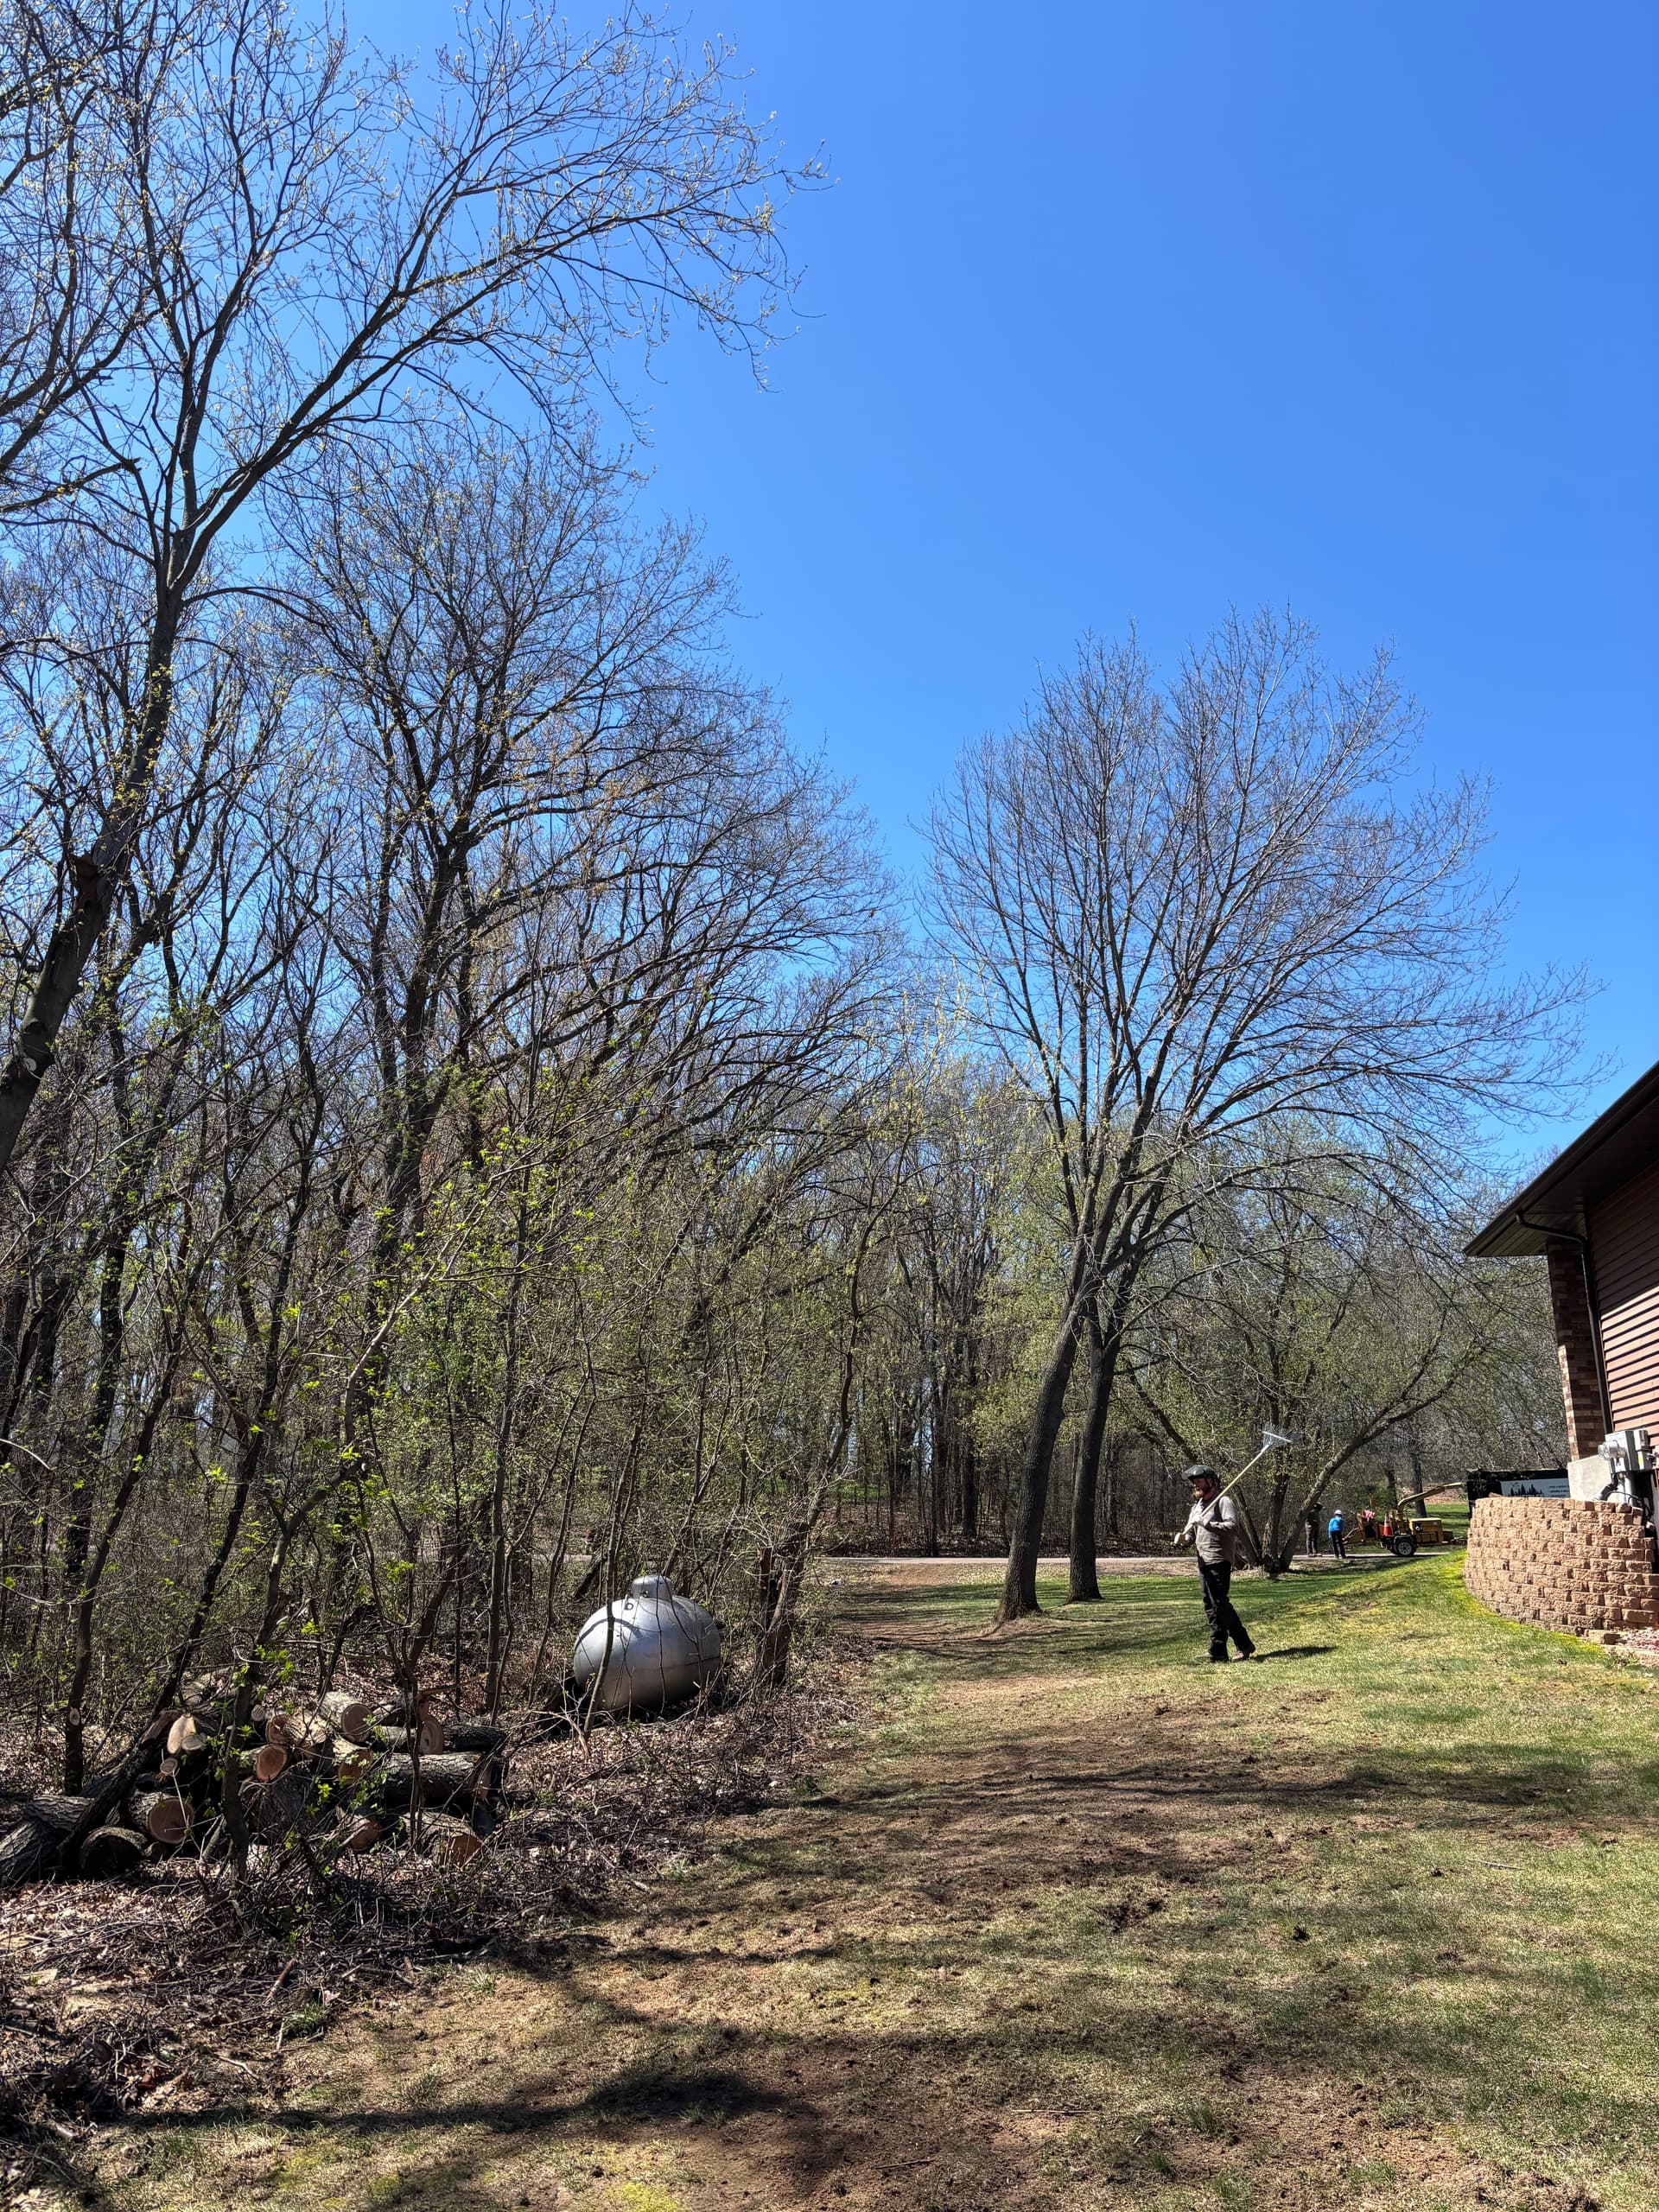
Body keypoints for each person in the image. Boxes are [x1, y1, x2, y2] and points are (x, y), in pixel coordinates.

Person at [1175, 1465, 1258, 1663]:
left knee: (1220, 1605)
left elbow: (1232, 1527)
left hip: (1219, 1559)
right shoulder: (1197, 1507)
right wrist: (1184, 1540)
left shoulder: (1223, 1501)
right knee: (1210, 1607)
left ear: (1211, 1482)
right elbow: (1194, 1535)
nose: (1196, 1484)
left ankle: (1243, 1644)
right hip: (1203, 1561)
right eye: (1194, 1482)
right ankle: (1218, 1651)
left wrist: (1206, 1523)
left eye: (1200, 1480)